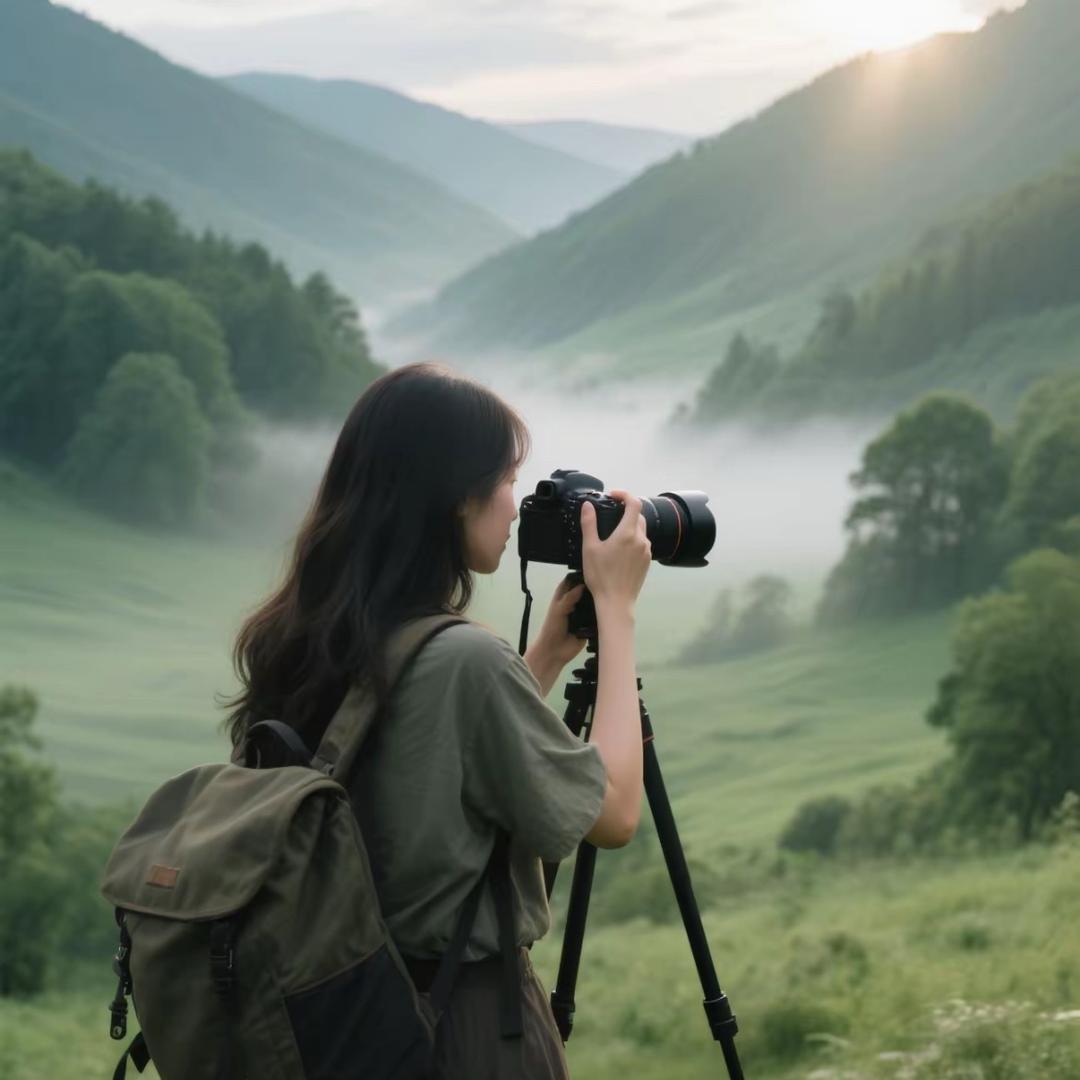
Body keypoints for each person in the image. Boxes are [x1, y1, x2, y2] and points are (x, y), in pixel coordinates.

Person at [224, 361, 651, 1079]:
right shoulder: (466, 663)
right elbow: (612, 814)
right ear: (458, 497)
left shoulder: (300, 636)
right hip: (463, 1028)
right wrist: (617, 610)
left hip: (340, 1022)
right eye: (509, 481)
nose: (516, 506)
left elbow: (412, 750)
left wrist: (541, 658)